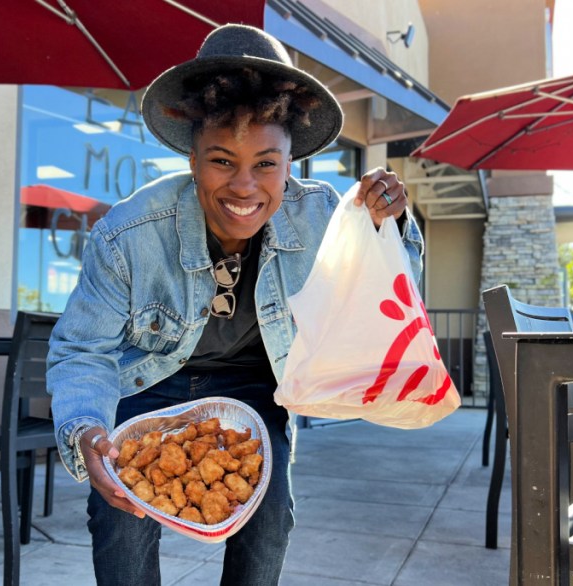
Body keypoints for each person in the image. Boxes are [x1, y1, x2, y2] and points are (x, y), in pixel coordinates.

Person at [47, 24, 423, 586]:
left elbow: (395, 295)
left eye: (266, 164)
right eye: (222, 161)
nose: (244, 187)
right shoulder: (129, 233)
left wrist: (389, 227)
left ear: (291, 162)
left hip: (251, 390)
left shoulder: (325, 217)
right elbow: (83, 349)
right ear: (192, 159)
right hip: (148, 386)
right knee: (119, 515)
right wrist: (84, 432)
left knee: (271, 519)